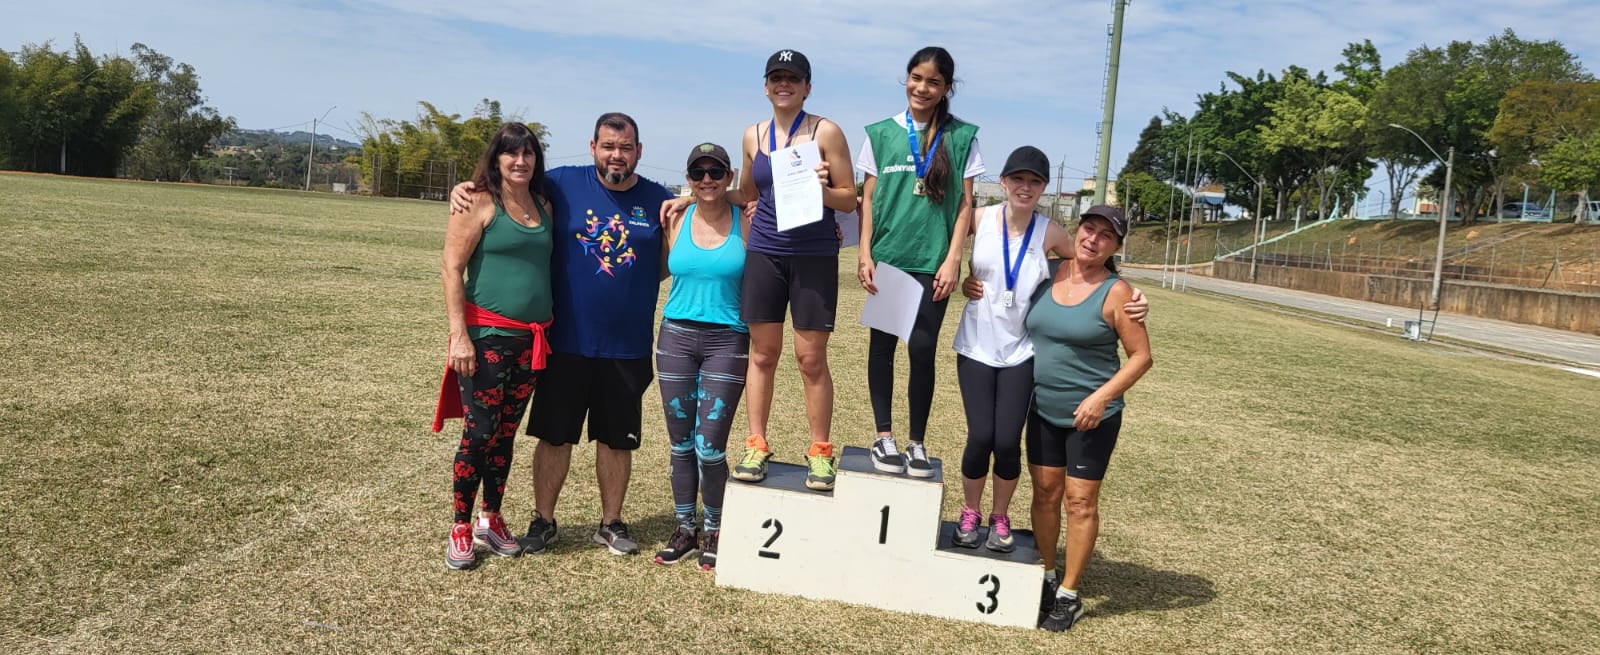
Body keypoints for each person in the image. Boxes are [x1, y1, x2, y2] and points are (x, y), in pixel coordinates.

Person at [450, 113, 674, 557]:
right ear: (592, 148)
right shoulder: (560, 185)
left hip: (626, 346)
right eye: (609, 146)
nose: (617, 155)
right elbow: (506, 182)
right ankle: (543, 520)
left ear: (639, 152)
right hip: (563, 342)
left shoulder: (659, 200)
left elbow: (670, 258)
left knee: (616, 439)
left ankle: (611, 523)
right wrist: (464, 188)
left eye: (626, 147)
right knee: (555, 435)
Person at [953, 146, 1147, 556]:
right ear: (1003, 182)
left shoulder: (1052, 232)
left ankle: (999, 516)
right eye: (1018, 179)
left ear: (1043, 189)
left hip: (1021, 351)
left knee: (1006, 441)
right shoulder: (978, 218)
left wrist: (1131, 294)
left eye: (1035, 181)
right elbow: (946, 252)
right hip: (975, 345)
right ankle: (970, 511)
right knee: (980, 436)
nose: (1025, 187)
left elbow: (1088, 267)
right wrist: (962, 279)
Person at [702, 49, 856, 491]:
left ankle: (820, 452)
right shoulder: (753, 134)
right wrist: (697, 196)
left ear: (807, 86)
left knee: (810, 359)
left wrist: (821, 189)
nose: (783, 84)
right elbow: (746, 191)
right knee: (763, 355)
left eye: (793, 78)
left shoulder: (825, 131)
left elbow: (849, 198)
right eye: (776, 78)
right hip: (766, 252)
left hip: (813, 256)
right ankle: (756, 443)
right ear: (766, 85)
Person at [1024, 203, 1153, 631]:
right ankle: (1045, 575)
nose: (1092, 239)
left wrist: (1101, 397)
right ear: (1077, 231)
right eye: (1088, 229)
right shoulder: (1047, 272)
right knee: (1044, 494)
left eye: (1105, 236)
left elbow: (1141, 357)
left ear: (1115, 247)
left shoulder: (1118, 293)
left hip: (1091, 418)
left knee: (1078, 502)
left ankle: (1069, 594)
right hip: (1041, 407)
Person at [854, 46, 980, 478]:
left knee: (922, 352)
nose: (922, 88)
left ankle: (916, 443)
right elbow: (867, 200)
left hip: (932, 263)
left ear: (946, 88)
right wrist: (865, 253)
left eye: (933, 81)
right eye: (916, 77)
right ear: (905, 78)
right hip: (890, 258)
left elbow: (965, 206)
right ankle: (883, 436)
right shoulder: (881, 133)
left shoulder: (961, 136)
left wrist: (953, 260)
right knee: (883, 349)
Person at [434, 122, 555, 570]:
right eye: (511, 154)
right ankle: (461, 526)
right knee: (479, 433)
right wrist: (458, 335)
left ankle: (492, 517)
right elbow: (451, 268)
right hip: (486, 339)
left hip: (532, 342)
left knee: (505, 434)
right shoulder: (478, 202)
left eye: (528, 154)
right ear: (496, 158)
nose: (520, 162)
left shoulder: (544, 204)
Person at [651, 143, 748, 571]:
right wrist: (687, 199)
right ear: (688, 177)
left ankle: (717, 529)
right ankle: (685, 527)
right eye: (698, 173)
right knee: (681, 444)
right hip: (675, 338)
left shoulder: (747, 218)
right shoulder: (674, 217)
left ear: (729, 175)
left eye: (716, 172)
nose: (707, 179)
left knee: (711, 448)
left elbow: (760, 194)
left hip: (728, 341)